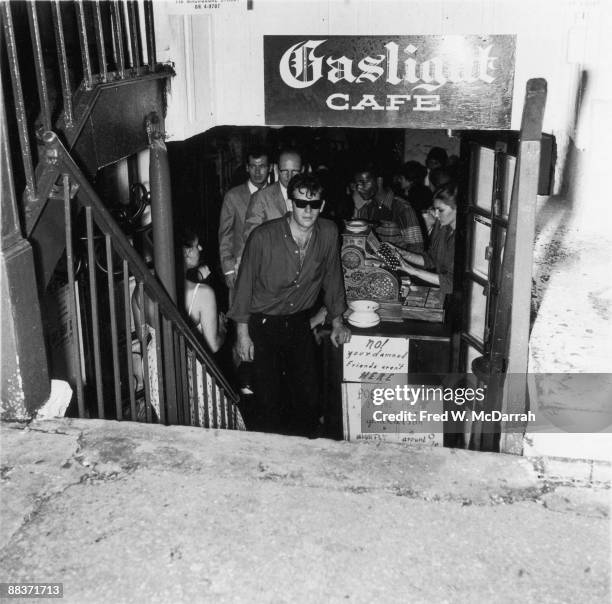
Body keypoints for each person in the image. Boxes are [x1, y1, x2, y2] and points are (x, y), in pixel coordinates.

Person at [229, 173, 351, 437]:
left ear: (323, 204)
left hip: (298, 323)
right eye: (300, 203)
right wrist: (242, 335)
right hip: (263, 324)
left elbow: (333, 277)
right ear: (290, 203)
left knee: (308, 396)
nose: (308, 211)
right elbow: (243, 288)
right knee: (268, 400)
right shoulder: (263, 237)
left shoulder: (328, 232)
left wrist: (338, 321)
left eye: (314, 204)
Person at [218, 146, 270, 295]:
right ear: (247, 168)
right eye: (253, 166)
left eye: (262, 166)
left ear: (270, 168)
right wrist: (228, 270)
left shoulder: (276, 195)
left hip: (272, 272)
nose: (258, 172)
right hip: (240, 270)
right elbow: (225, 235)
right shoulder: (233, 197)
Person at [394, 182, 458, 297]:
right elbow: (431, 259)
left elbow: (452, 282)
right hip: (442, 292)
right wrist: (404, 254)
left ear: (457, 209)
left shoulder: (465, 238)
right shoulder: (442, 227)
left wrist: (415, 271)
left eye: (441, 210)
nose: (436, 215)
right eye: (435, 209)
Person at [351, 164, 425, 253]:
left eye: (363, 182)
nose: (359, 188)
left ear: (379, 181)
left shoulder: (402, 208)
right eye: (357, 184)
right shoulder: (365, 210)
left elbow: (417, 248)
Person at [181, 228, 226, 353]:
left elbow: (142, 336)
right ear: (187, 252)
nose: (200, 248)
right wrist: (222, 329)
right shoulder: (203, 293)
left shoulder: (140, 289)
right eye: (197, 246)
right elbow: (213, 346)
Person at [243, 149, 302, 241]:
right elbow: (251, 236)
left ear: (302, 171)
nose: (289, 176)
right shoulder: (260, 198)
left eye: (295, 171)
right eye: (284, 171)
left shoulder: (309, 197)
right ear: (277, 170)